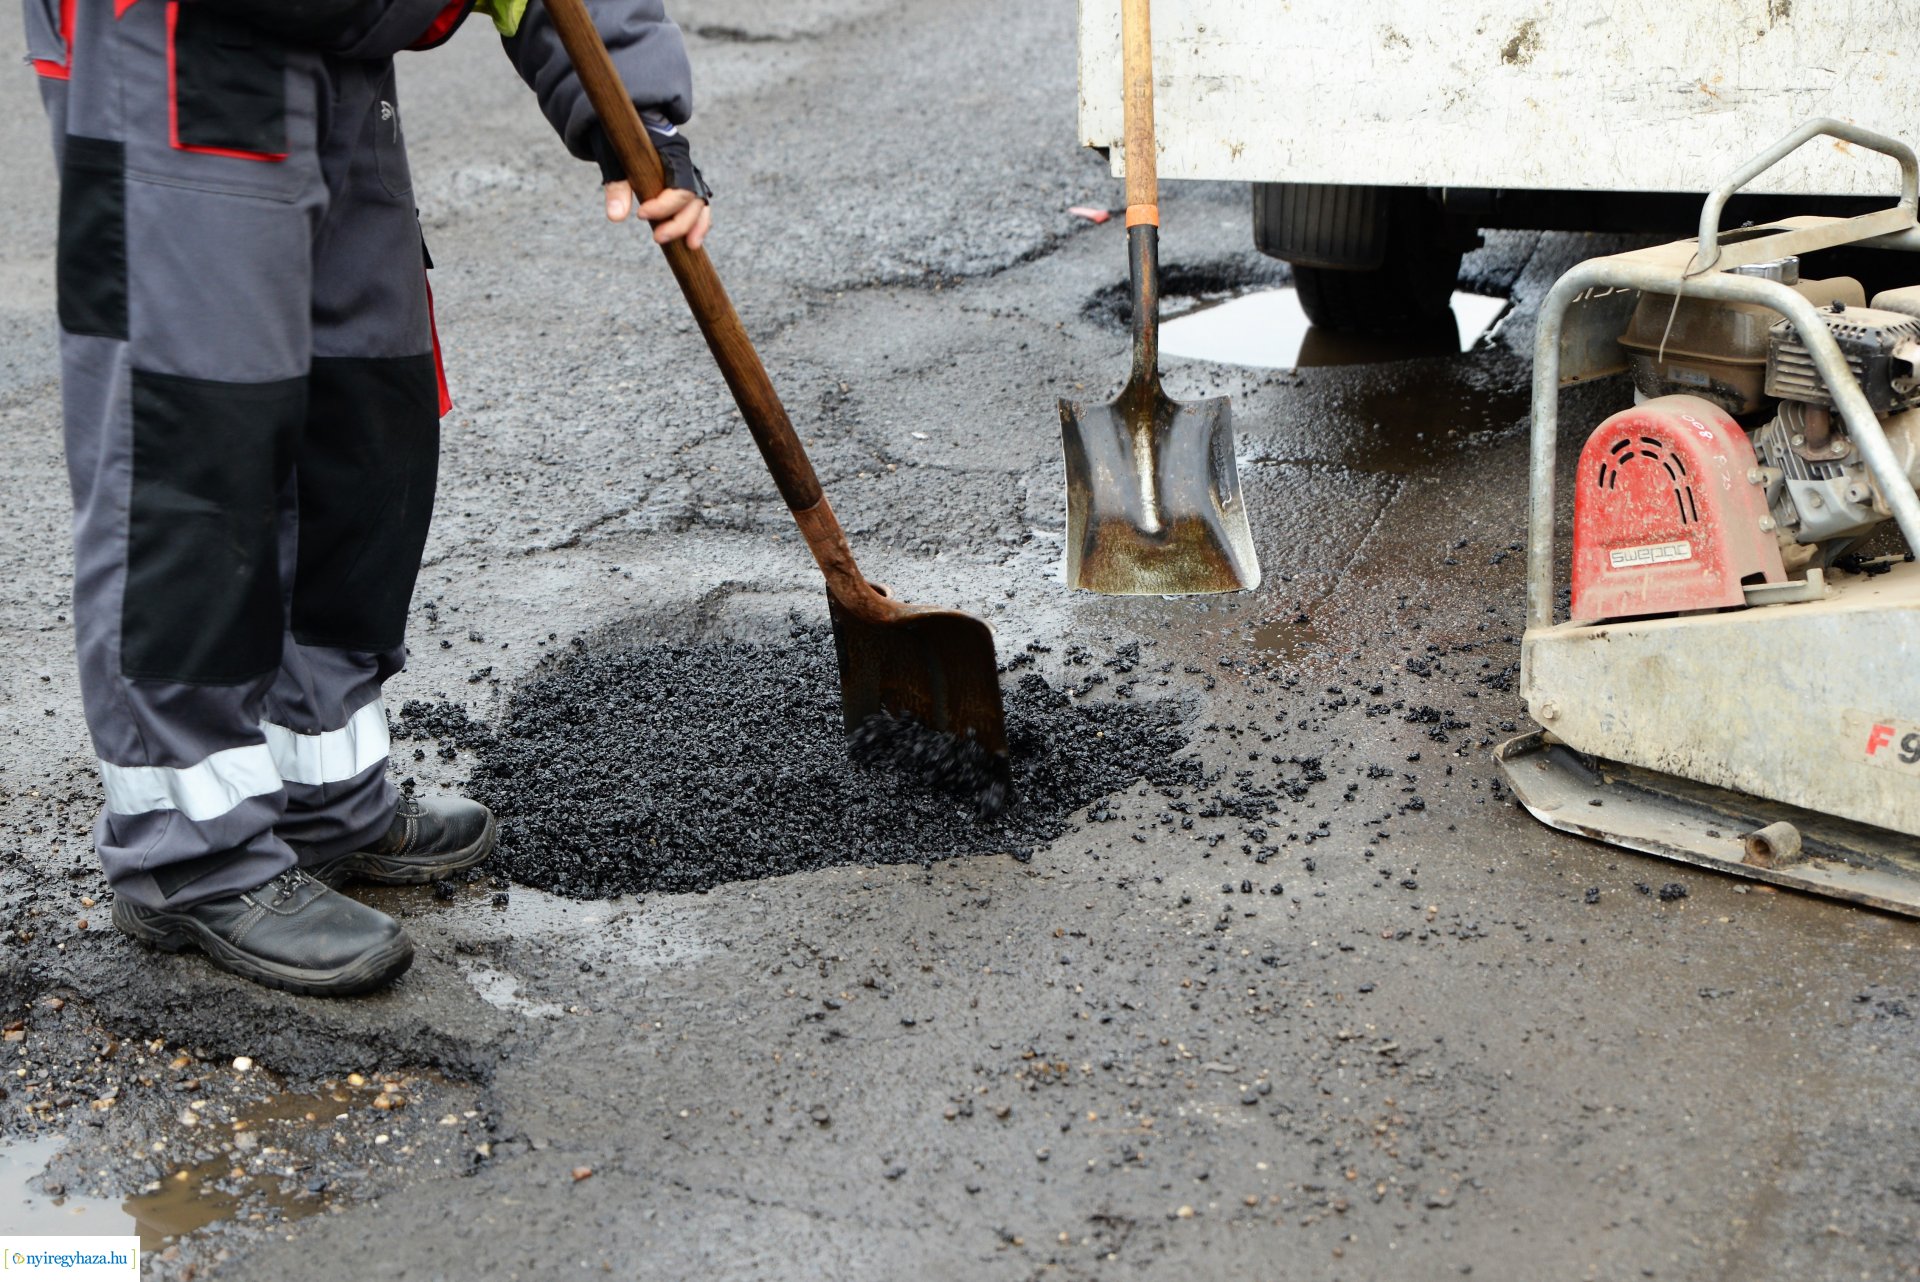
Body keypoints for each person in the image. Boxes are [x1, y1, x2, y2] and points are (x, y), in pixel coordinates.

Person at [21, 0, 709, 996]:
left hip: (346, 42)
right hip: (178, 40)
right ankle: (192, 849)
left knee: (365, 415)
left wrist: (634, 114)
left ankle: (320, 792)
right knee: (195, 443)